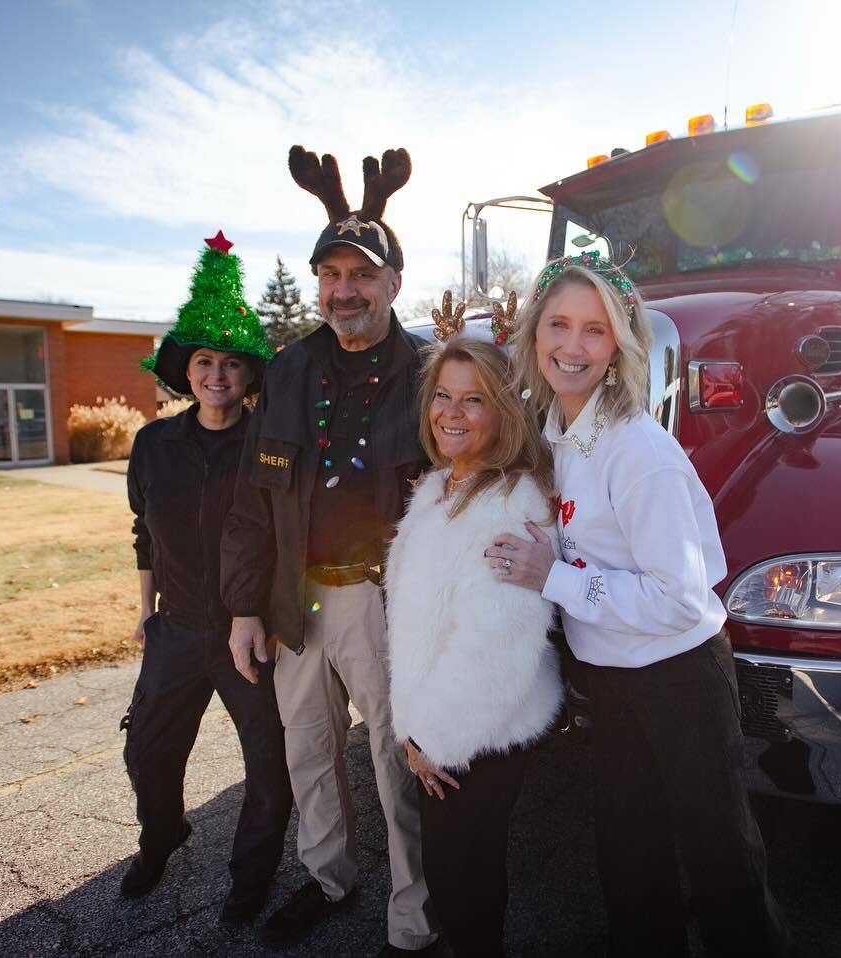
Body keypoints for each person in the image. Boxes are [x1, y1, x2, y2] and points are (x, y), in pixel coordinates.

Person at [485, 251, 792, 957]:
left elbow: (678, 599)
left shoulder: (636, 451)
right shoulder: (559, 435)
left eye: (594, 330)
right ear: (534, 333)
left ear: (619, 345)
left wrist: (552, 577)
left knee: (720, 859)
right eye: (559, 324)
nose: (572, 345)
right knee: (630, 854)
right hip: (613, 677)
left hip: (679, 675)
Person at [221, 146, 440, 956]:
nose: (344, 290)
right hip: (294, 600)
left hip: (384, 604)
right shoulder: (288, 370)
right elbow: (252, 497)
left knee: (397, 763)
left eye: (362, 275)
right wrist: (245, 606)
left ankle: (415, 918)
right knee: (309, 753)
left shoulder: (430, 373)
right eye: (331, 275)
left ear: (393, 283)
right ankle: (328, 880)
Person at [119, 231, 293, 922]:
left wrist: (276, 617)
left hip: (251, 634)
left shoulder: (270, 447)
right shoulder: (153, 445)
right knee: (147, 750)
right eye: (204, 362)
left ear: (249, 375)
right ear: (186, 372)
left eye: (230, 363)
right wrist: (144, 610)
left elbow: (287, 538)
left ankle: (252, 875)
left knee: (269, 764)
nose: (217, 374)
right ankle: (161, 836)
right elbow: (144, 532)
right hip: (178, 628)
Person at [386, 327, 561, 958]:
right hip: (435, 725)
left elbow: (495, 648)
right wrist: (414, 725)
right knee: (452, 872)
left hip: (474, 730)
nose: (451, 413)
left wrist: (432, 737)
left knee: (465, 878)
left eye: (474, 399)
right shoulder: (440, 487)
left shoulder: (510, 505)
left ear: (504, 411)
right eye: (443, 395)